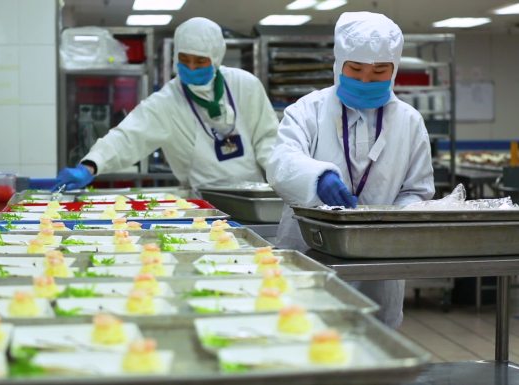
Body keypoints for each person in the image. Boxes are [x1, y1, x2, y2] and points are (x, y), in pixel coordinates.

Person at [266, 11, 435, 328]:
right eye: (355, 70)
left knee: (373, 350)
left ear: (394, 69)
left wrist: (390, 220)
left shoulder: (409, 122)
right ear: (339, 63)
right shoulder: (308, 110)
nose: (366, 80)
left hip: (378, 266)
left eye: (379, 71)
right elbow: (280, 161)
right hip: (308, 252)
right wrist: (317, 178)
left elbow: (417, 190)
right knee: (302, 339)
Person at [54, 17, 279, 191]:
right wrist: (91, 165)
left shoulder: (245, 85)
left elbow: (268, 139)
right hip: (205, 203)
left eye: (200, 61)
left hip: (255, 195)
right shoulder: (167, 101)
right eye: (185, 60)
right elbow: (128, 136)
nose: (191, 68)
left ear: (216, 58)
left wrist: (280, 183)